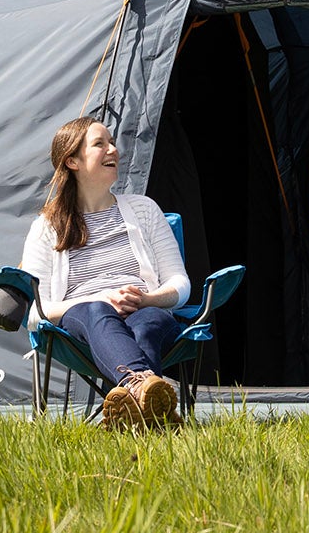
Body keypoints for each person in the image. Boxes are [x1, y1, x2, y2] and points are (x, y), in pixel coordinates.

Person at [20, 115, 191, 428]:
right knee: (96, 308)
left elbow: (180, 284)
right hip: (83, 319)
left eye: (112, 142)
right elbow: (34, 310)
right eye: (100, 144)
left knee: (146, 324)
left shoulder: (144, 209)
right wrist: (100, 298)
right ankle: (146, 391)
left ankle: (133, 402)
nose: (113, 150)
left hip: (144, 309)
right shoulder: (47, 227)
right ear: (72, 161)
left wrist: (147, 299)